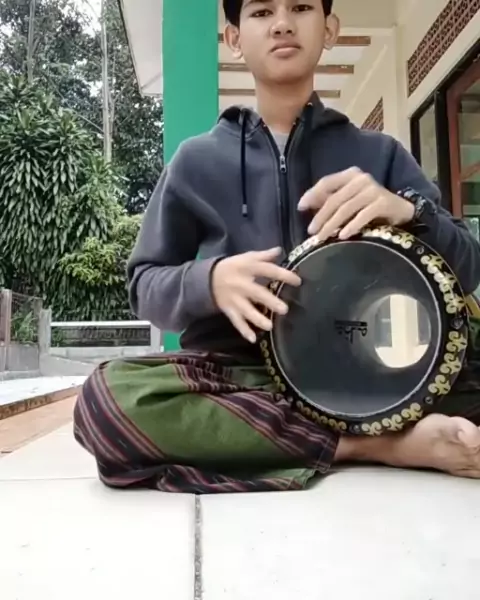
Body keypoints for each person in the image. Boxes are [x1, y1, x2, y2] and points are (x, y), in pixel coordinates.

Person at [73, 0, 480, 493]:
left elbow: (467, 266)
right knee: (105, 401)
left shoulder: (379, 155)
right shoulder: (196, 161)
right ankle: (373, 445)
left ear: (329, 30)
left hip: (368, 375)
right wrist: (209, 281)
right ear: (234, 39)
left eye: (301, 7)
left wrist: (409, 211)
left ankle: (293, 439)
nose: (283, 23)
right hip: (242, 380)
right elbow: (145, 283)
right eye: (262, 12)